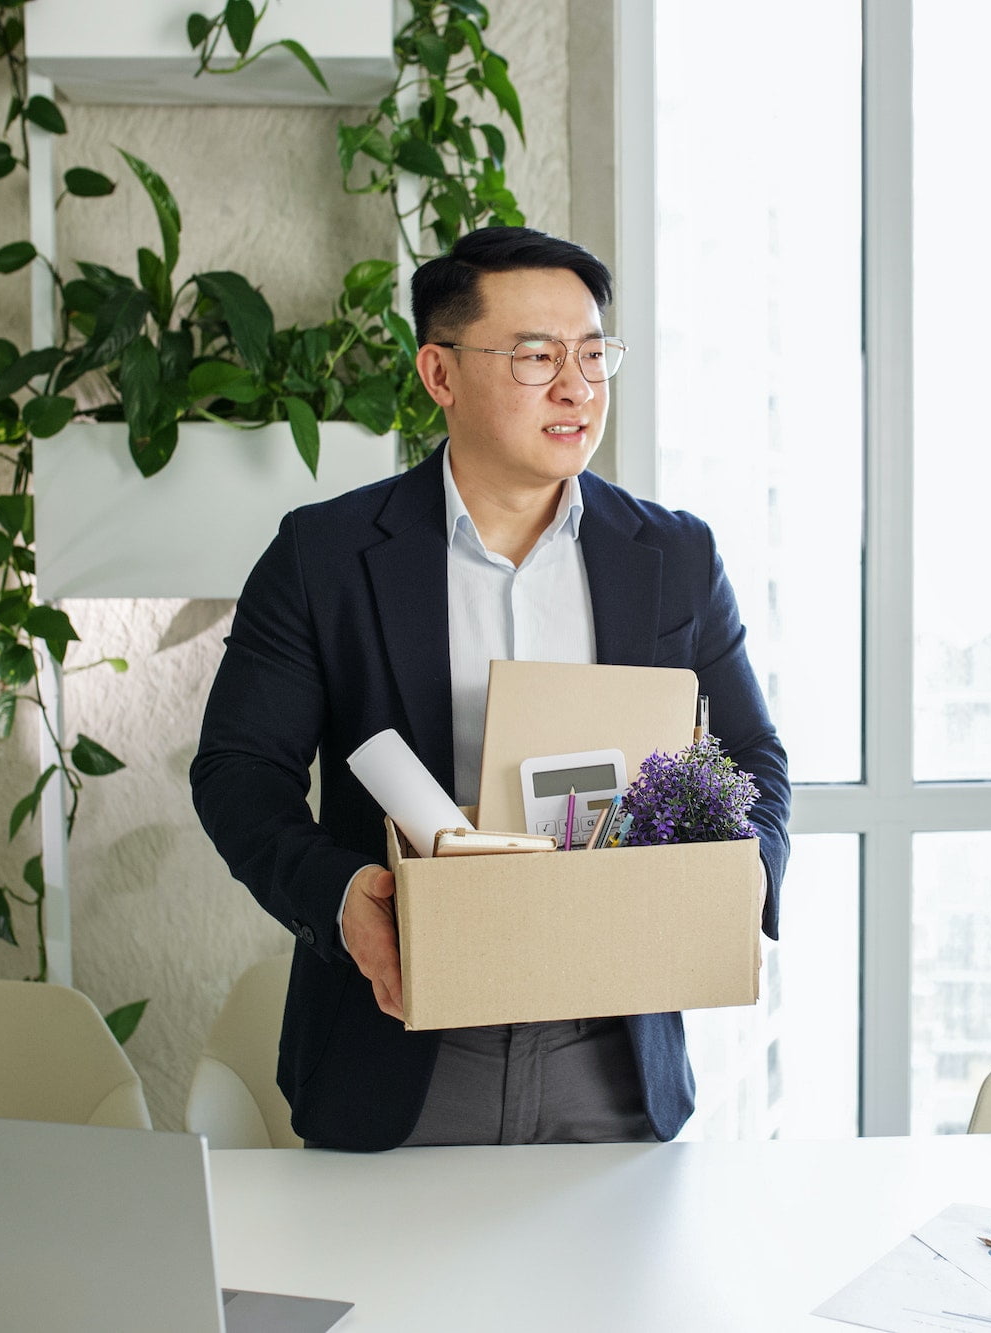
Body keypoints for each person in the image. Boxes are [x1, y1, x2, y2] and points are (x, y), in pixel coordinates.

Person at [190, 226, 790, 1152]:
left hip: (613, 1052)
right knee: (391, 1299)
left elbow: (754, 759)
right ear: (440, 374)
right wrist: (342, 891)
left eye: (594, 355)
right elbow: (238, 769)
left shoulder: (673, 556)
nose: (576, 388)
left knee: (612, 1300)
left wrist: (740, 883)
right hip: (404, 1045)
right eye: (535, 356)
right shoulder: (323, 557)